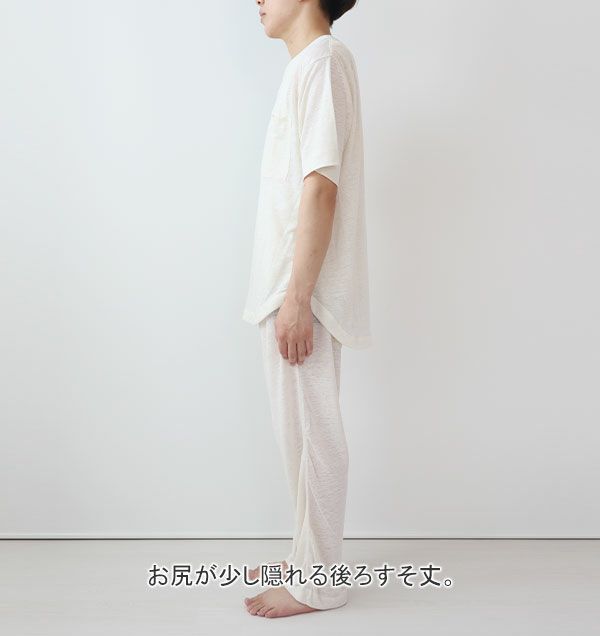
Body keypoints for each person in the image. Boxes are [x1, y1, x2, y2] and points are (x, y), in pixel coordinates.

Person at [242, 0, 371, 618]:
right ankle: (305, 556)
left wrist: (298, 297)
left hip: (304, 290)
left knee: (315, 433)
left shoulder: (323, 61)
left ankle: (319, 582)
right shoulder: (307, 66)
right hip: (289, 287)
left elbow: (321, 186)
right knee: (297, 435)